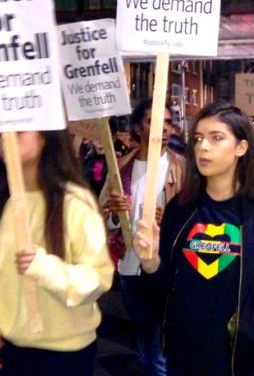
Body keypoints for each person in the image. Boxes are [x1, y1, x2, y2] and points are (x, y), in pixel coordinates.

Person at [132, 101, 254, 376]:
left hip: (247, 360)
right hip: (186, 357)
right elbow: (159, 294)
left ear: (241, 148)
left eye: (216, 138)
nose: (202, 147)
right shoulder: (180, 209)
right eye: (198, 139)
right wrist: (150, 265)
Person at [0, 130, 114, 375]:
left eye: (19, 131)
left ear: (46, 138)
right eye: (3, 132)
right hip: (6, 352)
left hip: (66, 357)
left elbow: (97, 279)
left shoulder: (75, 203)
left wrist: (46, 268)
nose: (7, 138)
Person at [100, 98, 183, 376]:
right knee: (144, 338)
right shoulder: (120, 167)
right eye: (154, 121)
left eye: (169, 122)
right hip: (129, 266)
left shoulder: (181, 168)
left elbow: (193, 219)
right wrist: (114, 213)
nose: (164, 127)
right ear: (138, 128)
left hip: (164, 267)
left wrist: (168, 221)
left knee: (161, 343)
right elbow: (105, 218)